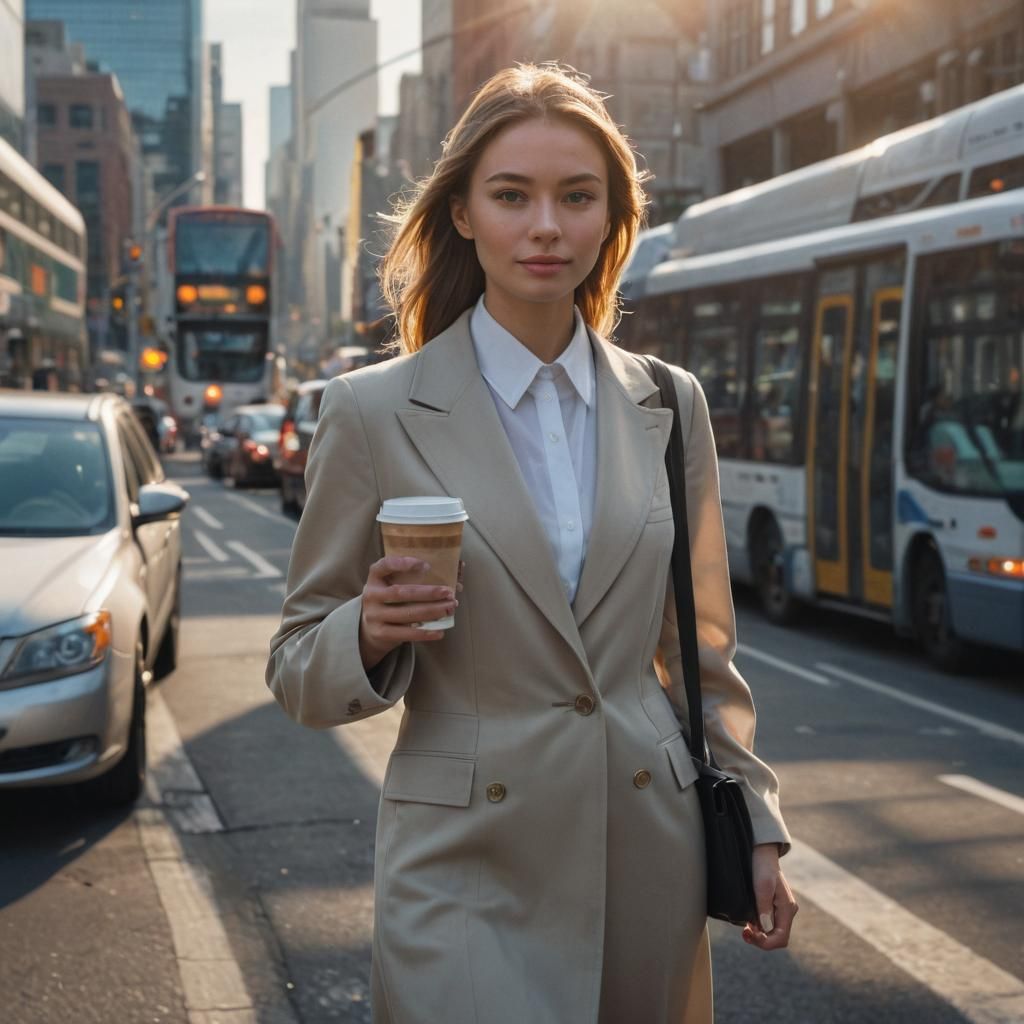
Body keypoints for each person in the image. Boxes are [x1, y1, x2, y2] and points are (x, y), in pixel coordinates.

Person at [266, 63, 797, 1024]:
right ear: (463, 213)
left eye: (576, 196)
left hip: (647, 837)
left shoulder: (670, 403)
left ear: (611, 218)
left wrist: (756, 823)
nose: (546, 226)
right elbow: (298, 664)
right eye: (512, 196)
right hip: (464, 864)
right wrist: (372, 628)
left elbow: (703, 653)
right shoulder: (373, 411)